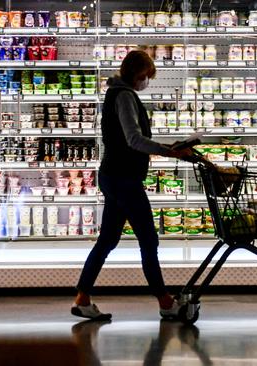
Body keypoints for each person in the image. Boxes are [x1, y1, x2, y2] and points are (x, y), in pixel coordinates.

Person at [72, 50, 193, 320]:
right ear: (138, 75)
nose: (146, 81)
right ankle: (165, 302)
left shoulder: (115, 93)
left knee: (107, 240)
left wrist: (166, 148)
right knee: (148, 240)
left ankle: (82, 298)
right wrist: (170, 152)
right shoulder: (125, 96)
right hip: (124, 179)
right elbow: (133, 139)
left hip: (114, 176)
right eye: (146, 76)